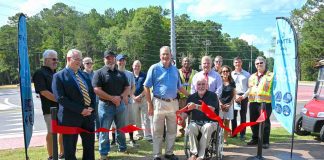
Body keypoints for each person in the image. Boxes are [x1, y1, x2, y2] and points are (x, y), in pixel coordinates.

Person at [143, 46, 189, 160]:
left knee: (172, 130)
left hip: (173, 103)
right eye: (163, 54)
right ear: (160, 55)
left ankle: (169, 153)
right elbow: (146, 86)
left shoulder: (175, 70)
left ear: (170, 55)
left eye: (167, 54)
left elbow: (180, 87)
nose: (165, 56)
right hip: (158, 102)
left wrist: (192, 95)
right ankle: (157, 155)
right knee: (158, 131)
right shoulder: (154, 68)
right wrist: (150, 104)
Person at [52, 49, 96, 160]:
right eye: (77, 59)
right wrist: (81, 110)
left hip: (88, 117)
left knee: (89, 148)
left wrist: (92, 109)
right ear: (68, 59)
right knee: (70, 150)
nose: (79, 62)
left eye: (80, 59)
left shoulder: (84, 75)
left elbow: (91, 93)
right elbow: (61, 98)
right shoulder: (59, 76)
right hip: (70, 118)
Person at [92, 50, 130, 160]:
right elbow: (96, 90)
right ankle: (104, 153)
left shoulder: (121, 74)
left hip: (120, 105)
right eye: (108, 58)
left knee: (121, 128)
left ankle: (122, 148)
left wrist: (121, 98)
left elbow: (127, 88)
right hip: (105, 106)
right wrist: (112, 98)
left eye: (112, 57)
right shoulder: (99, 73)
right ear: (104, 59)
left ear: (115, 59)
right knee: (104, 130)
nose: (110, 59)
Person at [32, 49, 64, 160]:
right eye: (54, 59)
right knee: (51, 132)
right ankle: (51, 156)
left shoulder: (56, 73)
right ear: (46, 60)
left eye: (57, 59)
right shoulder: (39, 73)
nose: (56, 61)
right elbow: (44, 92)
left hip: (62, 109)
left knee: (62, 131)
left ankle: (62, 153)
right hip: (49, 109)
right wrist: (60, 100)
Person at [179, 77, 219, 160]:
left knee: (207, 127)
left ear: (207, 85)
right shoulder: (192, 97)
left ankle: (201, 156)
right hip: (196, 122)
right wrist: (181, 118)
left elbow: (211, 109)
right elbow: (186, 112)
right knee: (190, 127)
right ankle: (194, 154)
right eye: (199, 84)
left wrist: (196, 106)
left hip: (210, 122)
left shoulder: (213, 95)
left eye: (203, 84)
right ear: (196, 86)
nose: (201, 86)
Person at [247, 56, 273, 149]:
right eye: (257, 63)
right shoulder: (252, 76)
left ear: (265, 63)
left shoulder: (271, 75)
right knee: (253, 122)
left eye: (261, 63)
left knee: (265, 122)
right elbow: (250, 89)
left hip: (265, 103)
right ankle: (255, 139)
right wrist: (242, 96)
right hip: (253, 102)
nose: (259, 65)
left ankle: (265, 141)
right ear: (255, 65)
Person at [116, 54, 137, 146]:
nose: (121, 62)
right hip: (117, 100)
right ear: (116, 62)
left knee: (130, 120)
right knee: (117, 121)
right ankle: (116, 140)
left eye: (123, 60)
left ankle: (131, 139)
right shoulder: (113, 73)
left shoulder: (130, 74)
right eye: (120, 60)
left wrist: (128, 95)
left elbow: (133, 87)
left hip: (128, 101)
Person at [132, 60, 152, 142]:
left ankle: (148, 135)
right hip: (133, 99)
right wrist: (134, 97)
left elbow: (147, 87)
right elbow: (128, 88)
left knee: (146, 117)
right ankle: (139, 134)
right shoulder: (130, 76)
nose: (137, 67)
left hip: (143, 98)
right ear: (132, 66)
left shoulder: (144, 75)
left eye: (138, 66)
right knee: (136, 118)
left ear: (140, 67)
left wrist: (140, 96)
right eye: (135, 65)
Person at [231, 57, 250, 140]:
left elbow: (250, 87)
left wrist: (243, 96)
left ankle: (242, 134)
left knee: (243, 116)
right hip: (234, 96)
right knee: (233, 116)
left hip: (243, 97)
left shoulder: (247, 74)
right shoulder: (230, 74)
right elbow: (229, 86)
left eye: (239, 62)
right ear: (233, 64)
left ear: (241, 63)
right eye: (236, 62)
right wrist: (234, 96)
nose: (237, 64)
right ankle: (234, 133)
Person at [178, 57, 197, 137]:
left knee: (191, 116)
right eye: (185, 61)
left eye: (188, 61)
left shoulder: (195, 72)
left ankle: (190, 132)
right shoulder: (177, 72)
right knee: (181, 115)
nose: (186, 62)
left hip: (191, 97)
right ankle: (181, 130)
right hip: (181, 98)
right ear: (182, 63)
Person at [219, 65, 236, 143]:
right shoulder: (218, 81)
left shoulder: (232, 82)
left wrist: (230, 104)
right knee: (220, 122)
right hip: (220, 105)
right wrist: (220, 104)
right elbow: (216, 94)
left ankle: (225, 139)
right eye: (223, 71)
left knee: (227, 122)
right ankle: (218, 138)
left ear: (229, 73)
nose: (225, 72)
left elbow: (234, 95)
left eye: (227, 71)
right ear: (221, 73)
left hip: (229, 105)